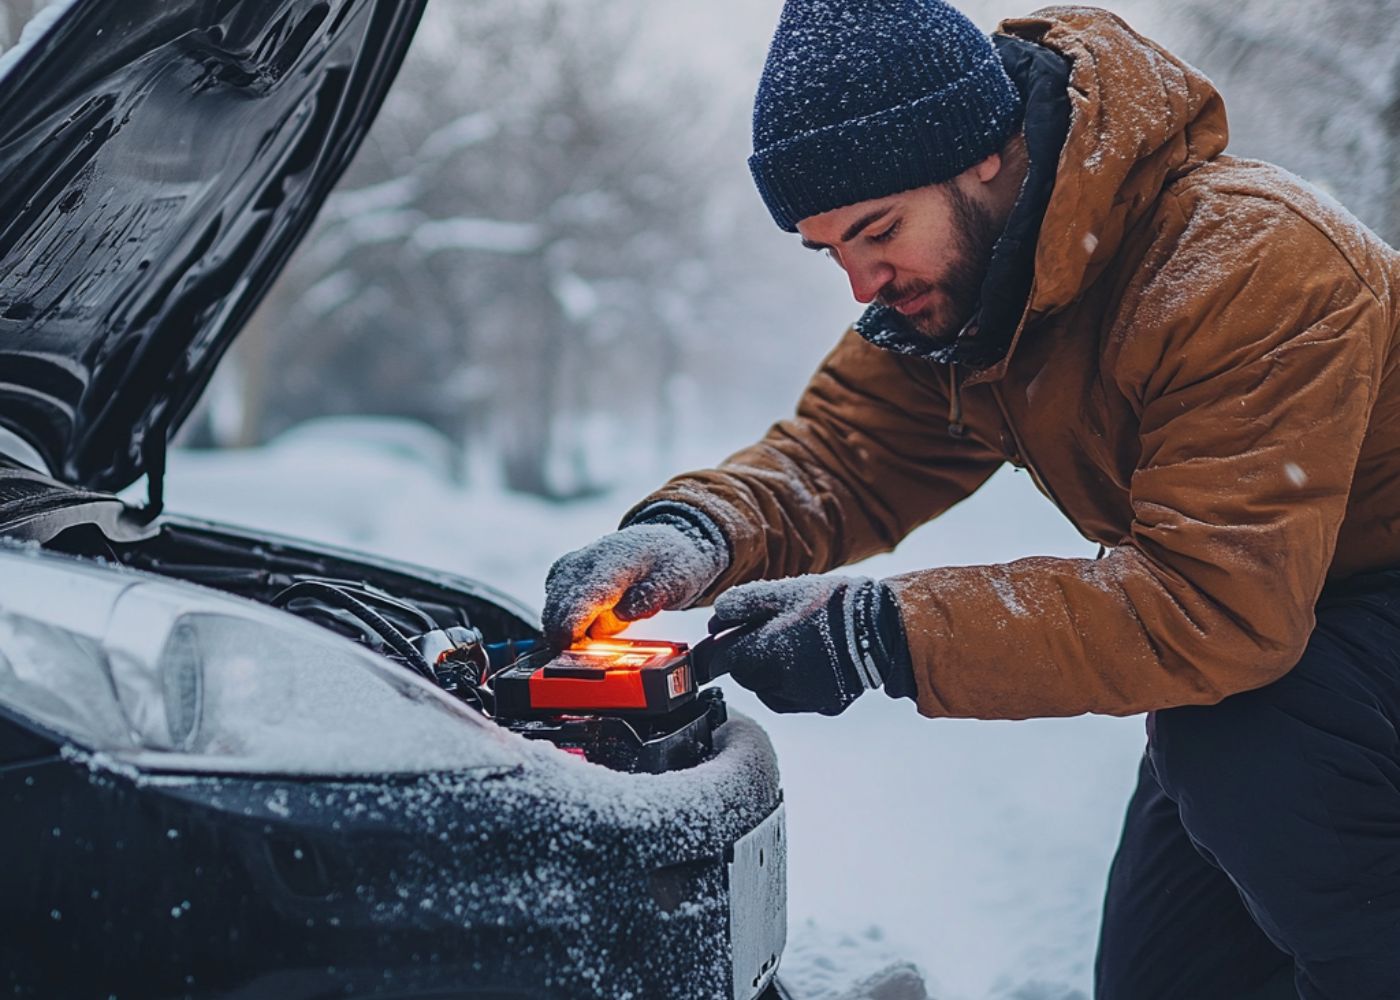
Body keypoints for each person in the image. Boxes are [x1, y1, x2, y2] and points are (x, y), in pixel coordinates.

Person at [542, 2, 1400, 997]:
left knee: (1246, 758)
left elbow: (1209, 608)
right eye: (830, 251)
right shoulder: (968, 298)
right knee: (1161, 970)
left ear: (987, 154)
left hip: (1339, 613)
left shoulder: (1244, 261)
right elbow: (840, 455)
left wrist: (875, 632)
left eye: (876, 232)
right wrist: (691, 531)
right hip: (1277, 633)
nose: (861, 281)